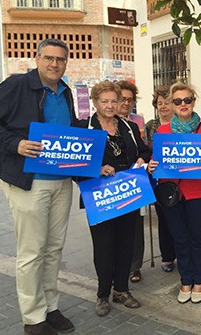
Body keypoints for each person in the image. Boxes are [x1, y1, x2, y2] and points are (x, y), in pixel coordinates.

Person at [0, 38, 76, 335]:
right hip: (29, 182)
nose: (54, 64)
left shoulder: (66, 92)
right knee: (31, 251)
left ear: (66, 62)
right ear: (37, 59)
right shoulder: (17, 86)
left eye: (60, 59)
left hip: (61, 182)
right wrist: (16, 144)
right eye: (49, 58)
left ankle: (51, 307)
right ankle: (33, 318)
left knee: (54, 248)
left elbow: (71, 132)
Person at [77, 81, 151, 317]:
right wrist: (96, 168)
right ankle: (102, 294)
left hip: (128, 193)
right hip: (100, 196)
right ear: (95, 102)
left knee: (126, 244)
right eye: (104, 101)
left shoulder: (128, 127)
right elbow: (75, 164)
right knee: (104, 247)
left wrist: (141, 160)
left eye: (114, 101)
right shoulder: (84, 128)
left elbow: (144, 150)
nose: (110, 106)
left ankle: (121, 289)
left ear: (120, 102)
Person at [148, 81, 201, 304]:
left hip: (200, 193)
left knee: (198, 237)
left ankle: (200, 280)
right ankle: (185, 279)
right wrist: (151, 165)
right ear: (172, 104)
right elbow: (157, 160)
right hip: (172, 192)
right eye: (177, 101)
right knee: (179, 238)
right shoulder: (162, 131)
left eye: (187, 100)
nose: (183, 104)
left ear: (193, 102)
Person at [115, 80, 147, 283]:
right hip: (110, 185)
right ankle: (115, 268)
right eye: (122, 99)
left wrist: (143, 157)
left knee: (136, 226)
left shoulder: (135, 124)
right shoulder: (98, 123)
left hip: (133, 182)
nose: (126, 103)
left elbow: (143, 149)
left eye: (129, 99)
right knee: (114, 230)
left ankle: (134, 267)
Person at [145, 86, 176, 273]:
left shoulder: (182, 123)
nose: (163, 106)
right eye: (159, 103)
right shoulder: (151, 126)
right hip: (159, 180)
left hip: (181, 178)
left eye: (167, 102)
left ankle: (182, 252)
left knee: (179, 219)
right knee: (164, 219)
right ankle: (167, 256)